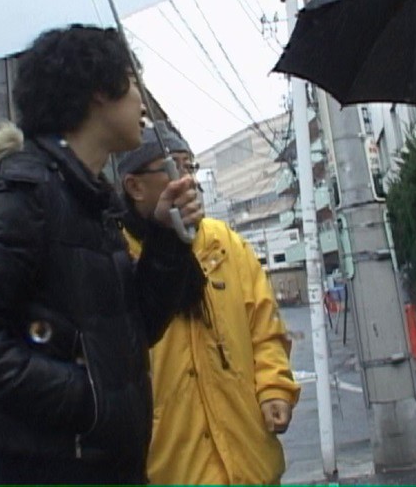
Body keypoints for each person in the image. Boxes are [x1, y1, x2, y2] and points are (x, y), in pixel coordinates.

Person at [0, 25, 206, 485]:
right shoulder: (21, 196)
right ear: (99, 92)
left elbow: (134, 332)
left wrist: (165, 236)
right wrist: (86, 398)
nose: (142, 105)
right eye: (133, 83)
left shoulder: (91, 202)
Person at [118, 122, 300, 485]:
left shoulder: (224, 244)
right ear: (135, 187)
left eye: (190, 166)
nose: (187, 180)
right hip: (172, 469)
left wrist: (273, 387)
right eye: (173, 168)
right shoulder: (118, 256)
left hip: (250, 460)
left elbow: (264, 328)